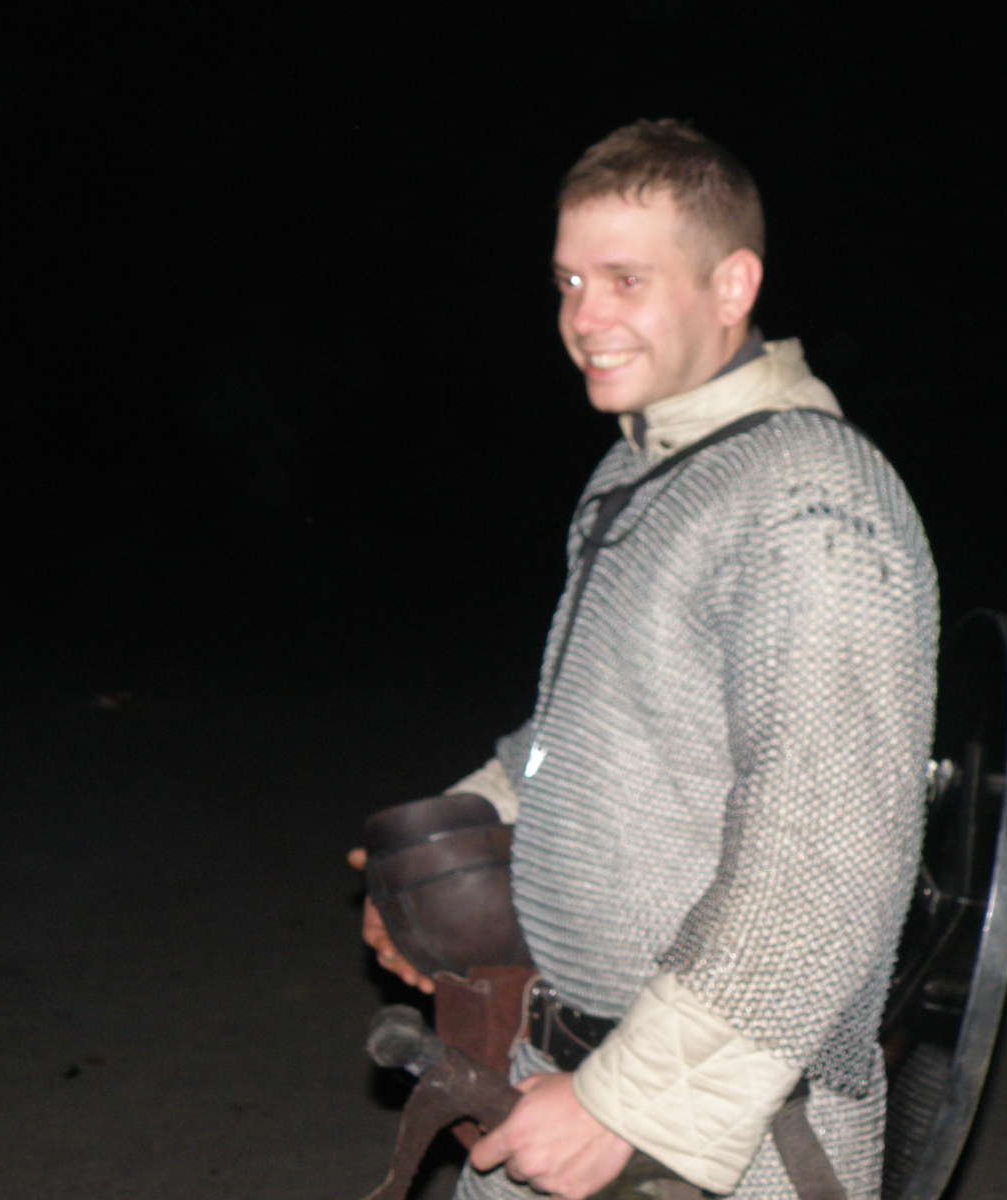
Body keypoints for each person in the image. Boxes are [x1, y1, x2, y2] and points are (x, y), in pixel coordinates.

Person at [358, 118, 938, 1200]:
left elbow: (826, 853)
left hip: (722, 1138)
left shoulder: (810, 502)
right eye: (569, 282)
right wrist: (453, 841)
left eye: (625, 279)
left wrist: (625, 1103)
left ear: (732, 287)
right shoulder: (638, 473)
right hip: (556, 1072)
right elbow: (580, 731)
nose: (584, 317)